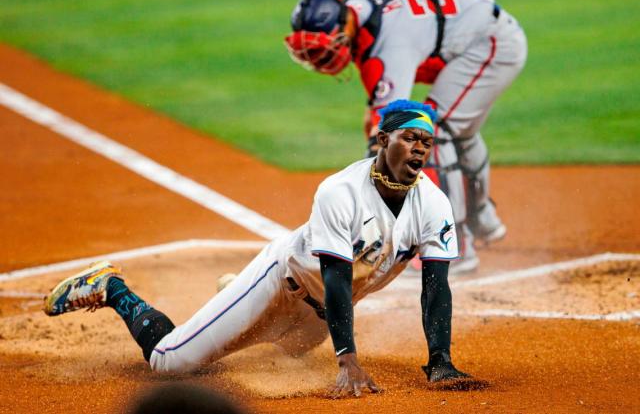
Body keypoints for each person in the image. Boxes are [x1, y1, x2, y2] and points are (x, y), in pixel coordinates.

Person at [44, 100, 471, 398]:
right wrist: (348, 361)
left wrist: (440, 360)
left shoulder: (432, 204)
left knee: (288, 357)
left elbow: (436, 287)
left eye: (425, 143)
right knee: (171, 365)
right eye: (410, 138)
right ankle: (112, 287)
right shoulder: (341, 192)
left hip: (318, 317)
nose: (418, 148)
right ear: (383, 140)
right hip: (280, 282)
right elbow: (337, 279)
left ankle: (230, 297)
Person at [285, 0, 528, 274]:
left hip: (490, 44)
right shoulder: (358, 10)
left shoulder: (389, 42)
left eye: (323, 48)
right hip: (477, 36)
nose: (319, 59)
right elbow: (375, 115)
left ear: (345, 24)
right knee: (458, 132)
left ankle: (454, 248)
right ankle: (481, 218)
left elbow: (387, 137)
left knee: (430, 133)